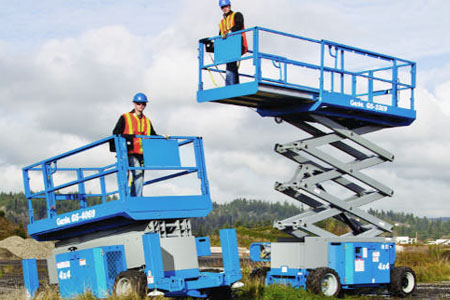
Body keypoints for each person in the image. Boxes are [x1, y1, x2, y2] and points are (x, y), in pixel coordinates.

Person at [113, 92, 157, 197]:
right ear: (134, 103)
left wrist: (164, 137)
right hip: (128, 153)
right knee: (134, 173)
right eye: (138, 103)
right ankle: (132, 198)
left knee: (139, 175)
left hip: (141, 154)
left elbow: (153, 135)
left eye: (143, 103)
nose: (141, 105)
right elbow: (116, 133)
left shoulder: (147, 121)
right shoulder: (125, 117)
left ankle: (135, 198)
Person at [218, 0, 248, 85]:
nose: (225, 8)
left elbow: (239, 24)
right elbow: (220, 35)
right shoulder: (222, 22)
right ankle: (233, 85)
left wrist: (229, 31)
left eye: (226, 6)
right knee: (230, 65)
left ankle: (230, 86)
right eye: (223, 7)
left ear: (230, 6)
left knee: (231, 64)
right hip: (228, 47)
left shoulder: (237, 15)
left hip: (238, 44)